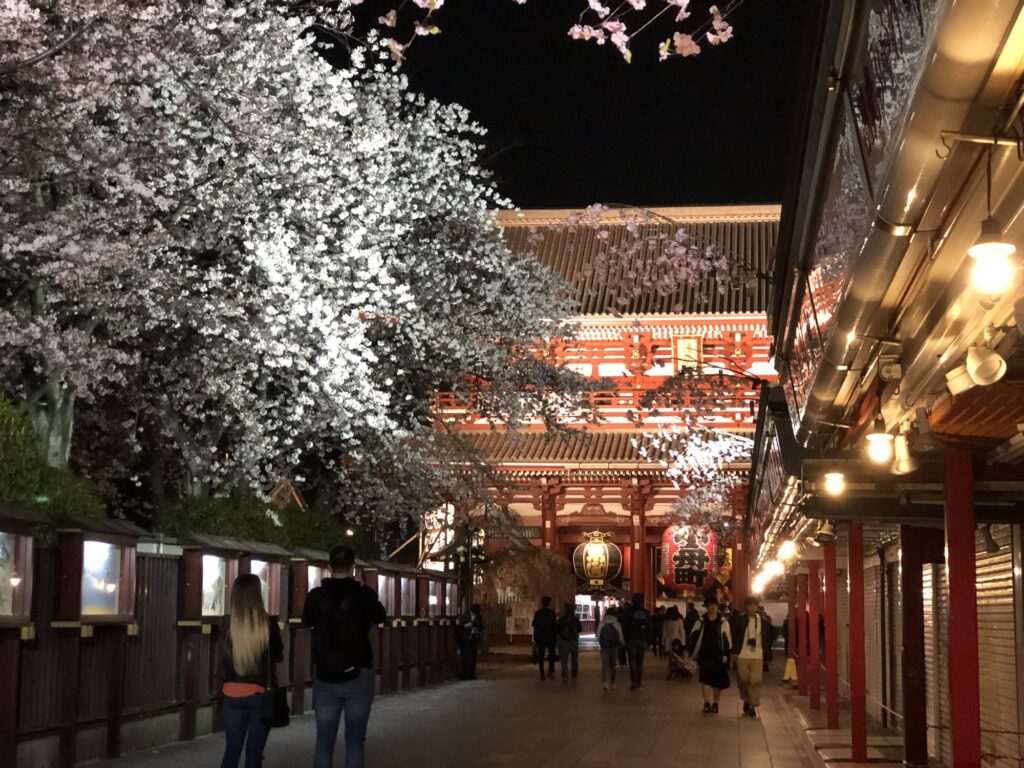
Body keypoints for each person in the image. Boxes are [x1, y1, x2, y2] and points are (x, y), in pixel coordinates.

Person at [302, 545, 387, 768]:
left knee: (324, 740)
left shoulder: (316, 596)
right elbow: (381, 616)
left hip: (326, 675)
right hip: (358, 673)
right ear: (353, 567)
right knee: (355, 740)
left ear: (329, 567)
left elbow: (306, 621)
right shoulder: (363, 595)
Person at [216, 573, 284, 768]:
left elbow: (224, 657)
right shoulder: (268, 623)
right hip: (260, 695)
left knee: (231, 751)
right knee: (254, 754)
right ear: (258, 595)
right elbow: (278, 655)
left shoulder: (227, 623)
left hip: (231, 693)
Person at [688, 597, 732, 714]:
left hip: (719, 655)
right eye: (710, 605)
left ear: (717, 607)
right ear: (706, 607)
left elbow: (727, 640)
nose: (712, 608)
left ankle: (716, 703)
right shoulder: (700, 621)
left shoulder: (723, 622)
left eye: (714, 605)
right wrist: (691, 653)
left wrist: (726, 654)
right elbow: (693, 637)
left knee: (718, 682)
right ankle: (707, 702)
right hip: (704, 654)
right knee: (705, 680)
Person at [732, 597, 774, 717]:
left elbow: (768, 638)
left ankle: (752, 705)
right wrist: (734, 651)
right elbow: (735, 636)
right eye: (750, 605)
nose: (752, 608)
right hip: (742, 654)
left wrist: (768, 656)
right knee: (743, 680)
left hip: (758, 655)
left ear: (757, 607)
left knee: (756, 681)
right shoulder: (740, 620)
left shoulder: (763, 622)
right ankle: (746, 699)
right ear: (746, 607)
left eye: (754, 606)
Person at [620, 593, 652, 691]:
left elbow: (623, 625)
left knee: (632, 661)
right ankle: (639, 682)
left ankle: (633, 682)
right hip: (642, 639)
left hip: (631, 640)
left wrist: (625, 638)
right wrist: (649, 640)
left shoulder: (628, 611)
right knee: (640, 662)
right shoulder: (646, 612)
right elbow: (650, 627)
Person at [596, 606, 625, 691]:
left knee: (605, 665)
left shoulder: (602, 623)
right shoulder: (617, 623)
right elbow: (620, 636)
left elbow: (598, 635)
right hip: (614, 647)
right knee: (612, 666)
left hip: (604, 647)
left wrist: (601, 642)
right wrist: (622, 643)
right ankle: (613, 683)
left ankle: (605, 683)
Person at [532, 596, 558, 681]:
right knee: (551, 656)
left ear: (542, 603)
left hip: (541, 638)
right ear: (549, 603)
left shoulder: (537, 613)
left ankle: (542, 673)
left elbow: (535, 626)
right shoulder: (552, 613)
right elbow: (554, 626)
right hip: (550, 637)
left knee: (541, 656)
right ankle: (550, 672)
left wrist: (535, 638)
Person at [556, 603, 583, 683]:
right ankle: (574, 675)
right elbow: (580, 629)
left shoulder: (561, 619)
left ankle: (565, 676)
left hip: (564, 642)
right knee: (574, 659)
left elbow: (557, 630)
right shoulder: (576, 619)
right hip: (574, 641)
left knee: (564, 660)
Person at [458, 603, 483, 680]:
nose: (475, 615)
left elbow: (482, 626)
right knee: (465, 656)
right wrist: (467, 626)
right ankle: (463, 674)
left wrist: (477, 629)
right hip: (465, 638)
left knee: (473, 657)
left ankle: (471, 674)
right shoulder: (465, 615)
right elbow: (460, 626)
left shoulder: (479, 617)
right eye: (474, 614)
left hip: (474, 638)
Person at [758, 606, 775, 672]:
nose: (761, 611)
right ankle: (763, 665)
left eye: (761, 610)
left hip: (765, 637)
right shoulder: (763, 618)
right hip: (761, 637)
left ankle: (765, 665)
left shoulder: (767, 618)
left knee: (765, 652)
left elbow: (770, 627)